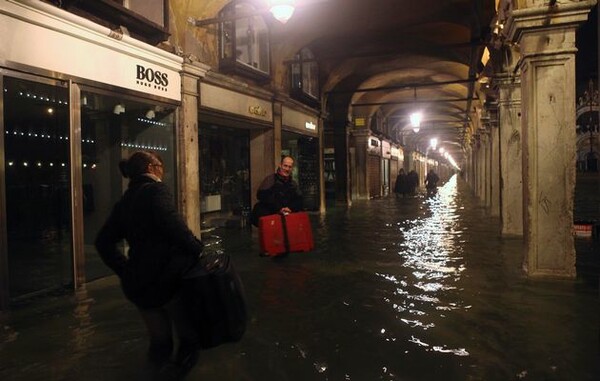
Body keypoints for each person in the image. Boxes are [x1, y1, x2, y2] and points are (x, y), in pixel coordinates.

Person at [95, 151, 203, 371]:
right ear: (152, 168)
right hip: (169, 279)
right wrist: (198, 249)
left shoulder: (125, 201)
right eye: (160, 165)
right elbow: (174, 227)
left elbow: (103, 242)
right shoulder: (156, 190)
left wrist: (125, 269)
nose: (163, 170)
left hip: (140, 283)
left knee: (160, 342)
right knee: (188, 340)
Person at [250, 155, 303, 227]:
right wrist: (278, 208)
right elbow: (262, 196)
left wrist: (290, 208)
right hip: (270, 217)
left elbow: (299, 200)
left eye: (289, 167)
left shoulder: (293, 184)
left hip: (285, 217)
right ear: (280, 165)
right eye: (285, 166)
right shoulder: (270, 179)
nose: (287, 169)